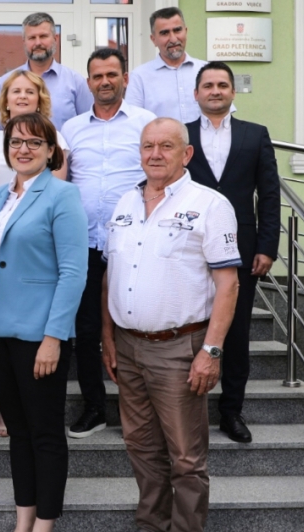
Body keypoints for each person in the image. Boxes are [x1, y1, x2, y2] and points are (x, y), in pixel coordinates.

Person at [101, 117, 241, 532]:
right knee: (141, 447)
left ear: (187, 153)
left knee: (185, 457)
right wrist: (108, 337)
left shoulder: (211, 205)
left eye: (166, 146)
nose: (155, 154)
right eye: (148, 146)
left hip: (180, 349)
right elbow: (111, 276)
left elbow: (228, 284)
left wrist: (211, 351)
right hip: (127, 347)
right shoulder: (125, 203)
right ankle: (151, 525)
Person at [0, 113, 88, 532]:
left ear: (51, 151)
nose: (23, 149)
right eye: (16, 141)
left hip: (39, 330)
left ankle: (44, 525)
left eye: (35, 142)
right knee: (18, 430)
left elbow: (74, 273)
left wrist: (54, 337)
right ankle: (23, 522)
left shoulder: (62, 195)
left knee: (45, 432)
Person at [60, 47, 155, 439]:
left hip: (133, 242)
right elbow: (63, 181)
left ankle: (144, 407)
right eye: (97, 76)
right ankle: (94, 407)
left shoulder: (146, 124)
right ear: (88, 82)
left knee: (137, 323)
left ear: (125, 79)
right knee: (85, 330)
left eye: (112, 74)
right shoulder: (71, 129)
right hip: (83, 242)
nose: (104, 82)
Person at [186, 61, 280, 443]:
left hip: (241, 248)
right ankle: (185, 408)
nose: (215, 91)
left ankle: (231, 411)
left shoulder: (255, 135)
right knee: (190, 326)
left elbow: (269, 195)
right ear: (196, 93)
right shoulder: (181, 134)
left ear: (232, 92)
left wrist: (267, 247)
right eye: (208, 85)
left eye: (222, 85)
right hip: (189, 246)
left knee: (237, 330)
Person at [0, 13, 92, 131]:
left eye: (43, 36)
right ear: (24, 42)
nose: (38, 43)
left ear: (55, 39)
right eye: (32, 38)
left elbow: (90, 125)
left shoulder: (76, 82)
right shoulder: (4, 83)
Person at [123, 7, 232, 124]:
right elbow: (133, 122)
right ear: (153, 39)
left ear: (186, 31)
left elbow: (225, 116)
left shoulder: (209, 71)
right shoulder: (139, 77)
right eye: (165, 33)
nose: (173, 39)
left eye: (177, 30)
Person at [0, 70, 69, 193]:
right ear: (6, 100)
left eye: (30, 92)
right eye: (16, 91)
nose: (23, 96)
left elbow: (56, 189)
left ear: (39, 101)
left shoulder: (54, 137)